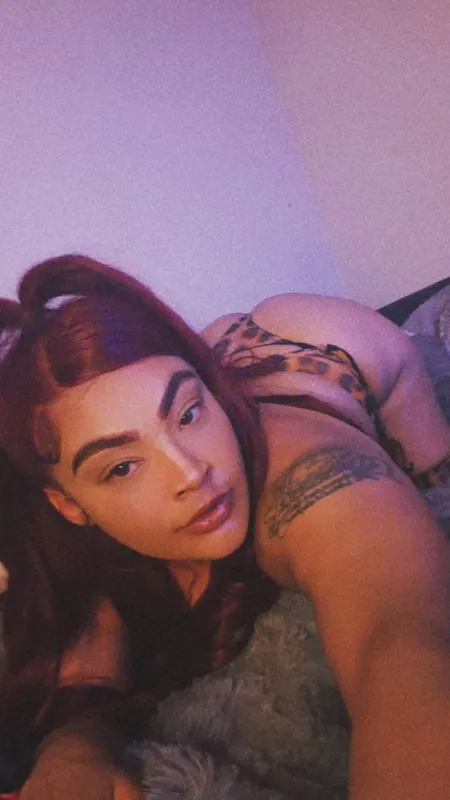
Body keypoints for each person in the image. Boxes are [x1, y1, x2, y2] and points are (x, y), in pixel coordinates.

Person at [0, 254, 448, 800]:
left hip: (333, 344)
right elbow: (90, 674)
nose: (191, 473)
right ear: (69, 504)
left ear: (210, 389)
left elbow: (397, 640)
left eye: (188, 413)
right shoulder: (75, 538)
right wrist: (72, 752)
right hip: (224, 352)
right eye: (122, 467)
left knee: (433, 479)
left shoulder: (314, 478)